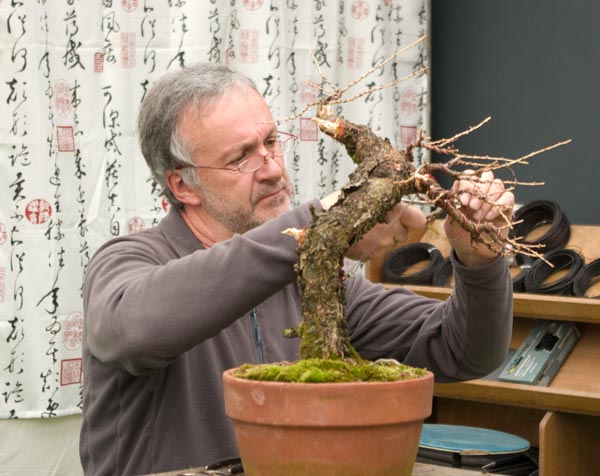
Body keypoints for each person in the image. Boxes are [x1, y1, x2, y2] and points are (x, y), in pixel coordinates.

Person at [80, 63, 514, 476]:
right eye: (241, 158)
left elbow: (465, 351)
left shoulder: (312, 279)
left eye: (271, 142)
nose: (271, 169)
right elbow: (135, 331)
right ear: (181, 185)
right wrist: (320, 224)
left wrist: (480, 263)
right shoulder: (126, 263)